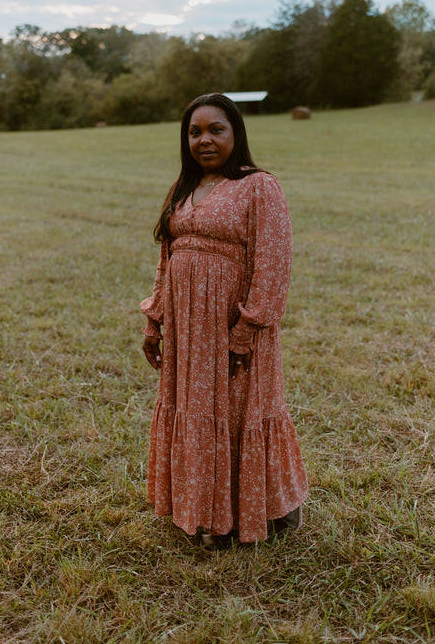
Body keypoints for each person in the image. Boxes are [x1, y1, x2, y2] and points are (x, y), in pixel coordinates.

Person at [141, 93, 308, 546]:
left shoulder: (258, 186)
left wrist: (245, 332)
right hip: (186, 328)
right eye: (194, 132)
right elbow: (167, 258)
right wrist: (155, 320)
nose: (204, 140)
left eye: (216, 129)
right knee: (196, 411)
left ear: (236, 133)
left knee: (238, 410)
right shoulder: (184, 187)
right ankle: (205, 512)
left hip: (231, 328)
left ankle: (262, 511)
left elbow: (272, 266)